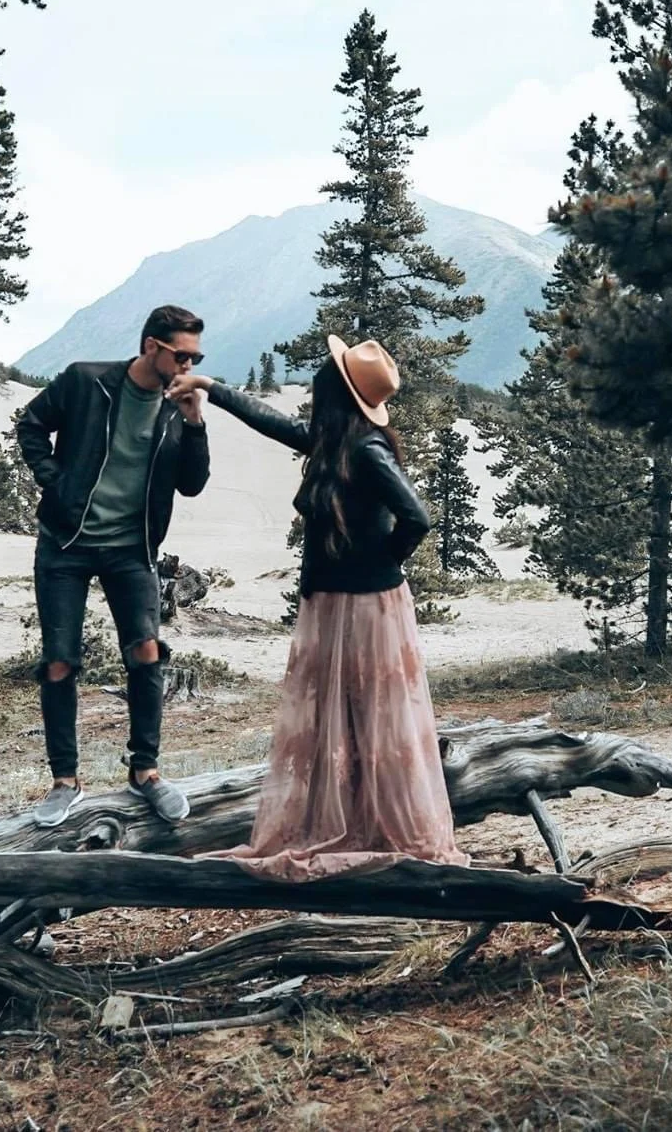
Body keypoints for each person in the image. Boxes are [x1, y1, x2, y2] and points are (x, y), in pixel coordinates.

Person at [168, 337, 467, 880]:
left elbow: (417, 518)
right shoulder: (333, 441)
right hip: (333, 601)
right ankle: (353, 816)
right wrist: (210, 387)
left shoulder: (367, 450)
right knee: (340, 714)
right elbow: (270, 422)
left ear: (336, 393)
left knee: (373, 713)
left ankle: (382, 824)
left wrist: (379, 563)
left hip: (367, 605)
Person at [12, 304, 212, 826]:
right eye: (182, 356)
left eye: (196, 358)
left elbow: (192, 484)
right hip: (66, 543)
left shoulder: (176, 409)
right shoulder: (87, 381)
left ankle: (146, 772)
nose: (189, 366)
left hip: (132, 549)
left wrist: (195, 422)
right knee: (60, 661)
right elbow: (31, 424)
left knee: (146, 652)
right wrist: (56, 482)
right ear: (151, 347)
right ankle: (65, 781)